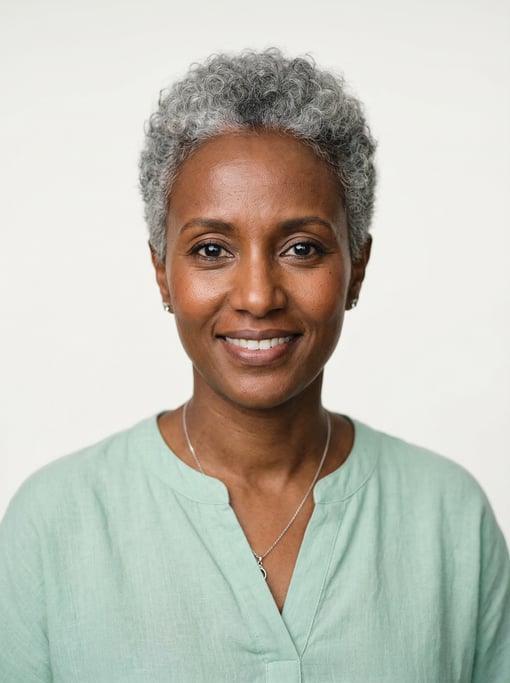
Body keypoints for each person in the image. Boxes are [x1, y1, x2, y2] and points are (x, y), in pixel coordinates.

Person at [0, 48, 509, 683]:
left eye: (302, 247)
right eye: (211, 249)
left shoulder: (448, 519)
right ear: (163, 272)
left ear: (358, 266)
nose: (258, 295)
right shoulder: (53, 526)